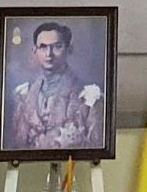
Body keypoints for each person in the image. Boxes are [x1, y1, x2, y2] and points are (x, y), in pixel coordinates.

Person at [7, 20, 106, 152]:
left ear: (69, 49)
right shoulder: (23, 95)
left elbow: (95, 147)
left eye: (57, 47)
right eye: (43, 47)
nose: (49, 54)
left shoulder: (89, 97)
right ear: (34, 50)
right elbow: (16, 145)